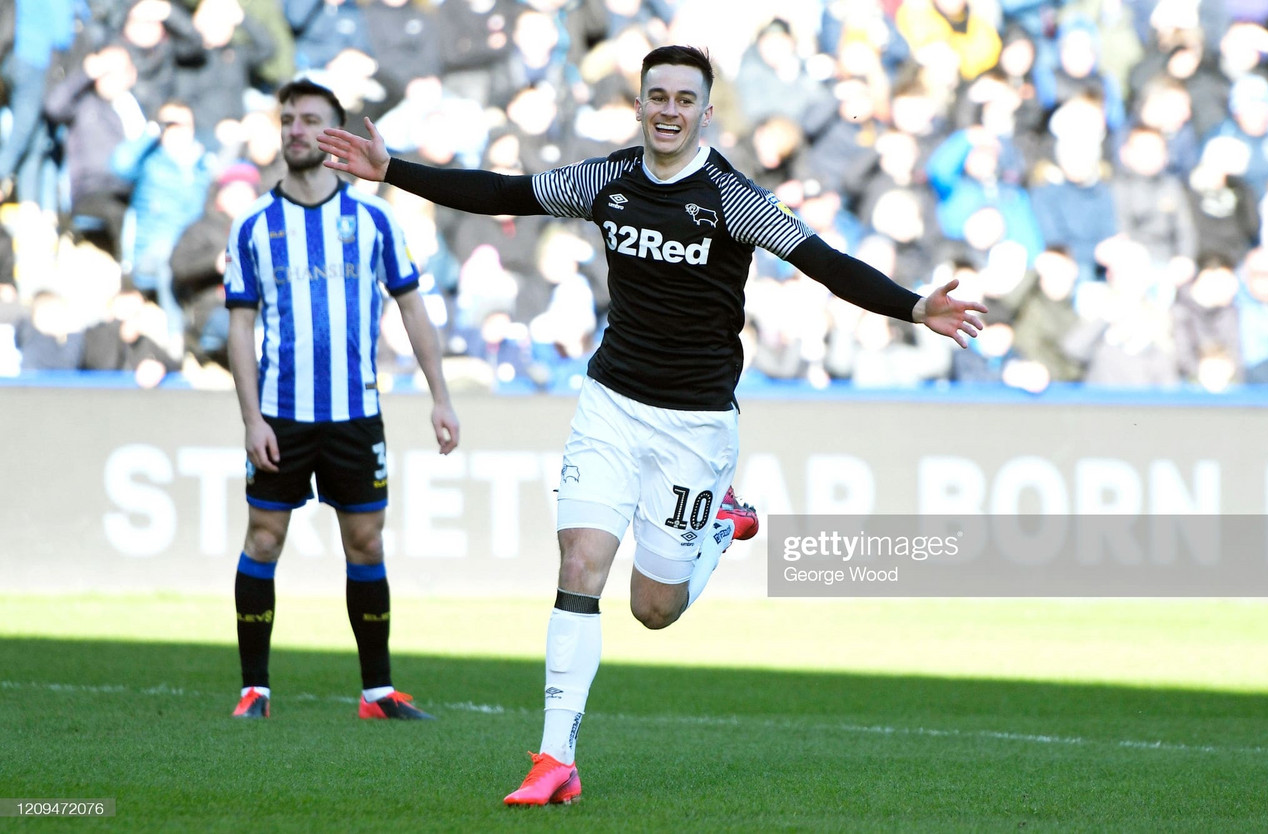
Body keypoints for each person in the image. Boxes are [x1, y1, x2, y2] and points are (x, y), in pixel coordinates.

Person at [318, 45, 984, 803]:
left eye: (683, 99)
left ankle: (717, 524)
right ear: (638, 105)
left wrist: (914, 306)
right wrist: (393, 169)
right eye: (655, 96)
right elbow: (502, 189)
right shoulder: (607, 179)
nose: (668, 110)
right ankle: (554, 760)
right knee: (578, 566)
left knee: (653, 610)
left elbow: (823, 261)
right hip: (610, 404)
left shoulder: (733, 198)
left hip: (696, 427)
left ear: (705, 111)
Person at [224, 79, 459, 721]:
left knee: (367, 543)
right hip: (281, 412)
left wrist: (440, 396)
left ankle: (377, 692)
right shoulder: (252, 226)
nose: (297, 130)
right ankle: (255, 688)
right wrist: (250, 418)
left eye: (311, 121)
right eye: (290, 120)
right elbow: (239, 324)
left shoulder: (375, 219)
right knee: (264, 537)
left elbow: (412, 305)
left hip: (356, 412)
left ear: (334, 134)